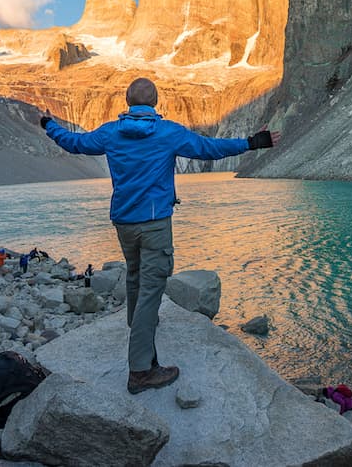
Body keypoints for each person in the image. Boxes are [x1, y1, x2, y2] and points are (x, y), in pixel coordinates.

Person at [40, 77, 279, 394]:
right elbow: (209, 149)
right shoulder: (168, 133)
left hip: (123, 221)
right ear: (155, 102)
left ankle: (136, 323)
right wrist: (252, 142)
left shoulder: (111, 132)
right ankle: (141, 370)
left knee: (135, 275)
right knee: (152, 289)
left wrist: (48, 124)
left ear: (128, 101)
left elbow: (74, 142)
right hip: (154, 222)